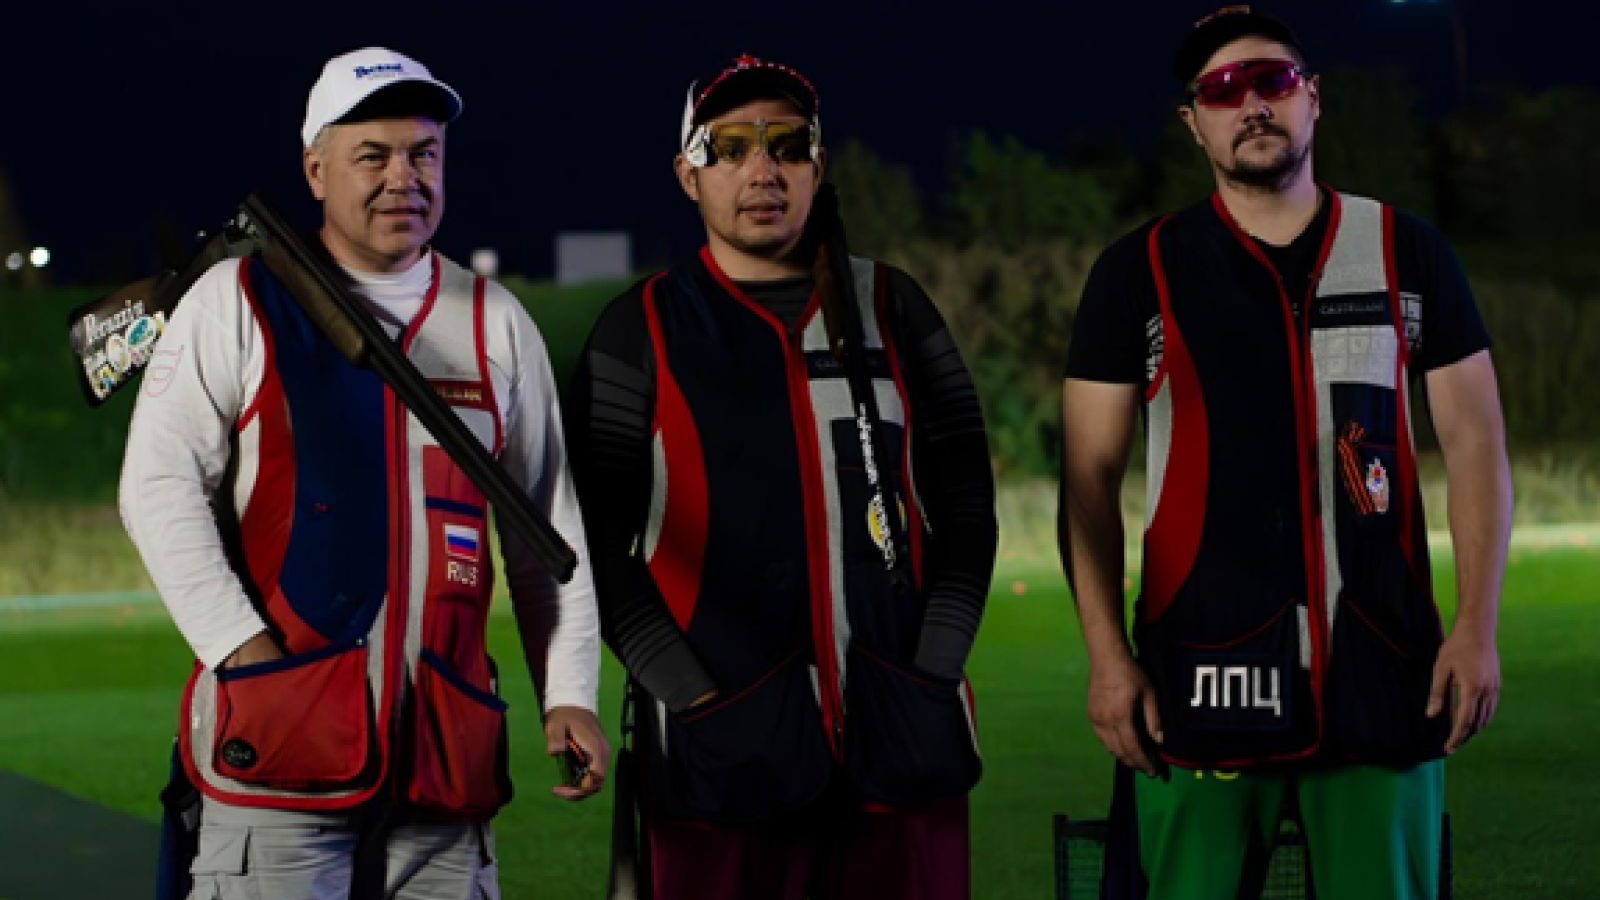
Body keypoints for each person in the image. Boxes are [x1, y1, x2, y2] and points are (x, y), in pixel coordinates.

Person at [119, 46, 608, 899]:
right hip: (276, 762)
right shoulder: (236, 297)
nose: (402, 179)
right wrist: (246, 656)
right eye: (372, 156)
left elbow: (547, 531)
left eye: (423, 154)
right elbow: (156, 489)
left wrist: (569, 693)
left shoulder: (496, 321)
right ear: (316, 170)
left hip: (446, 765)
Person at [1059, 8, 1512, 899]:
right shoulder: (1139, 269)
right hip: (1198, 678)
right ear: (1194, 122)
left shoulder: (1406, 251)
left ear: (1313, 98)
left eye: (1273, 81)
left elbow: (1476, 444)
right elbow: (1087, 480)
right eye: (1223, 91)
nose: (1252, 105)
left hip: (1386, 675)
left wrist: (1476, 628)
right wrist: (1108, 659)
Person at [567, 53, 997, 900]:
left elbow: (968, 507)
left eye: (788, 144)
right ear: (687, 174)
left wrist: (931, 674)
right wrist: (695, 703)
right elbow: (596, 549)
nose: (763, 169)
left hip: (902, 754)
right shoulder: (639, 328)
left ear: (818, 164)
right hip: (716, 773)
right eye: (731, 147)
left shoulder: (894, 306)